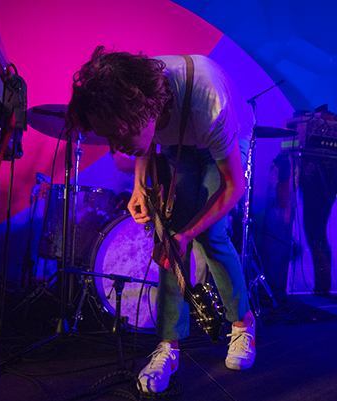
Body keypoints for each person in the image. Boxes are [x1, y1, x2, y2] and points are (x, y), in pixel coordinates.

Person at [66, 46, 256, 393]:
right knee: (168, 239)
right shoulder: (140, 101)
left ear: (145, 112)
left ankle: (243, 324)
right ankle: (168, 344)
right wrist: (139, 186)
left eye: (118, 133)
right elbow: (145, 139)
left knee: (210, 235)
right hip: (179, 135)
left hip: (224, 134)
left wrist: (189, 233)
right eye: (109, 136)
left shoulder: (209, 104)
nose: (115, 147)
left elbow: (234, 187)